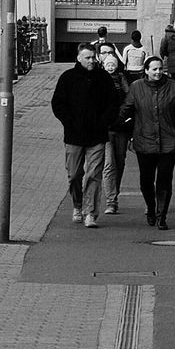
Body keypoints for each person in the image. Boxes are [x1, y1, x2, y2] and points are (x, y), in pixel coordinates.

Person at [51, 45, 121, 228]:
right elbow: (58, 103)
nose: (92, 61)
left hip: (97, 135)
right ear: (79, 58)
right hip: (74, 135)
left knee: (94, 175)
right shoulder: (68, 78)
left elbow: (114, 102)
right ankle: (77, 204)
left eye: (93, 57)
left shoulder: (103, 78)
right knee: (74, 174)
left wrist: (105, 121)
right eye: (88, 57)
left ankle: (90, 213)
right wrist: (69, 121)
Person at [120, 57, 175, 229]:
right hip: (145, 141)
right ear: (146, 70)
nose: (158, 72)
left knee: (165, 179)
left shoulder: (173, 87)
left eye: (160, 69)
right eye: (154, 69)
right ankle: (150, 208)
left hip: (168, 142)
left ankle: (161, 215)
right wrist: (127, 131)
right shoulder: (136, 88)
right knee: (146, 180)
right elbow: (127, 110)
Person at [100, 54, 131, 215]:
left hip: (121, 126)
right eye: (108, 65)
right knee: (109, 165)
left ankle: (114, 195)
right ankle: (111, 201)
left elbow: (129, 98)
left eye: (112, 64)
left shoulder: (121, 78)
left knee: (119, 163)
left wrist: (123, 115)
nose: (110, 67)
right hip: (105, 129)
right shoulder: (99, 79)